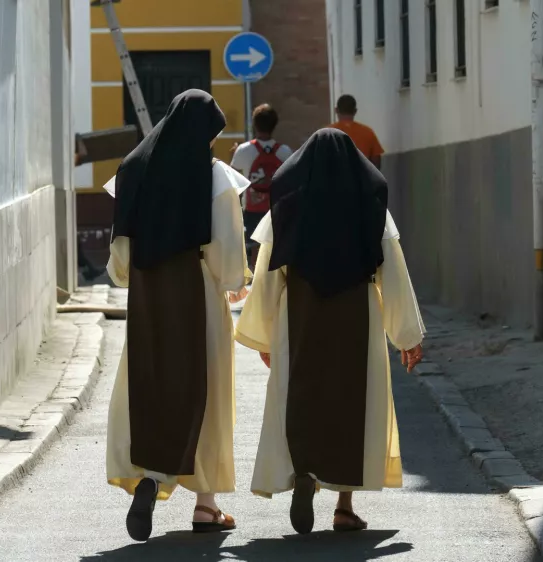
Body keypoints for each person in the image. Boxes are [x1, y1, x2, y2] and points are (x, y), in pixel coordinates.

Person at [235, 128, 425, 534]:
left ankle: (304, 472)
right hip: (356, 314)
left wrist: (264, 334)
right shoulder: (370, 205)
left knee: (301, 395)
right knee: (350, 402)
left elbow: (269, 276)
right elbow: (392, 273)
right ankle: (343, 505)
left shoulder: (284, 208)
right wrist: (407, 337)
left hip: (298, 316)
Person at [104, 89, 251, 542]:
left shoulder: (133, 170)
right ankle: (206, 505)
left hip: (147, 294)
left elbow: (119, 261)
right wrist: (233, 282)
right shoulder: (214, 178)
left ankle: (151, 476)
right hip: (198, 289)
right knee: (205, 391)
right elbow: (228, 252)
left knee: (151, 383)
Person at [231, 104, 293, 270]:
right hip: (276, 210)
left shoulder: (243, 150)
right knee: (274, 252)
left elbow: (232, 181)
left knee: (253, 255)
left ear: (254, 125)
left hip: (252, 211)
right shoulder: (285, 152)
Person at [329, 95, 385, 169]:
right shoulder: (367, 132)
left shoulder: (327, 133)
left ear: (336, 110)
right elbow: (376, 161)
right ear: (355, 111)